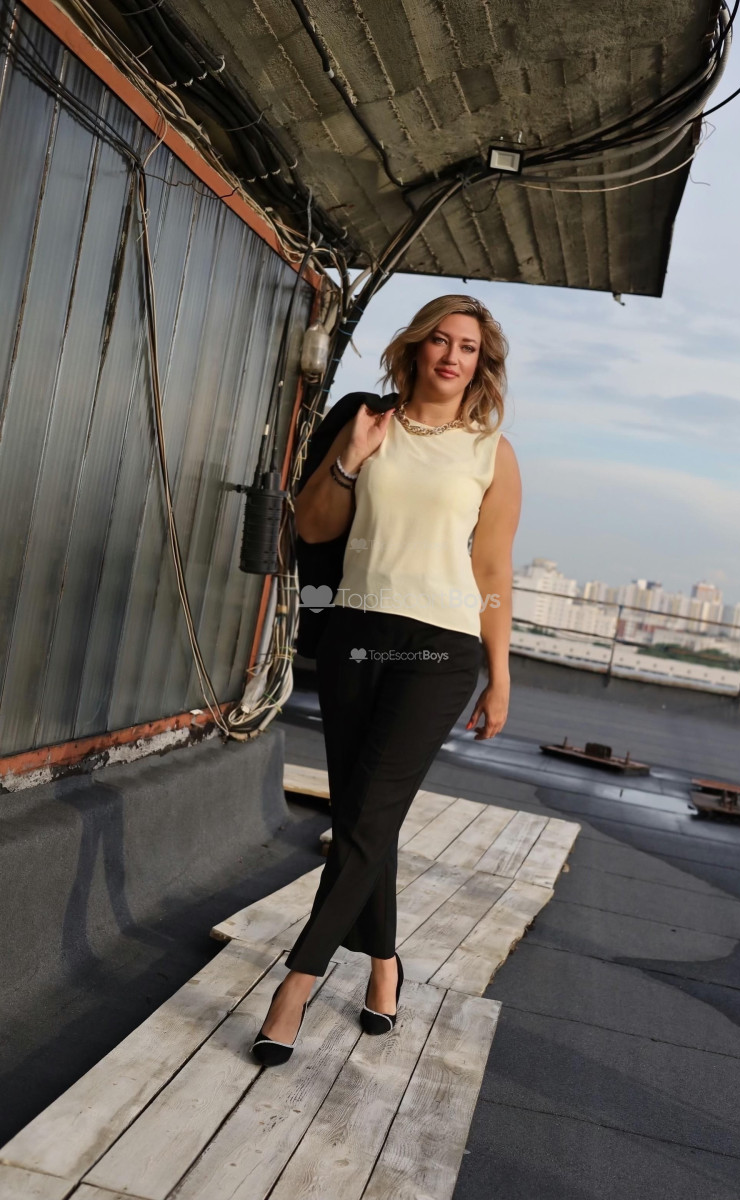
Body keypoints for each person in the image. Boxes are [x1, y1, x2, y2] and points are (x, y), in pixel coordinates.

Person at [251, 294, 522, 1066]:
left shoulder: (493, 452)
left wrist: (500, 673)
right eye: (441, 340)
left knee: (367, 819)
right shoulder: (370, 423)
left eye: (468, 347)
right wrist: (349, 459)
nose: (453, 356)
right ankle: (384, 965)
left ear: (482, 363)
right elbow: (312, 527)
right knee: (366, 814)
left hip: (442, 647)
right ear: (415, 347)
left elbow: (493, 569)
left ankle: (296, 984)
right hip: (357, 634)